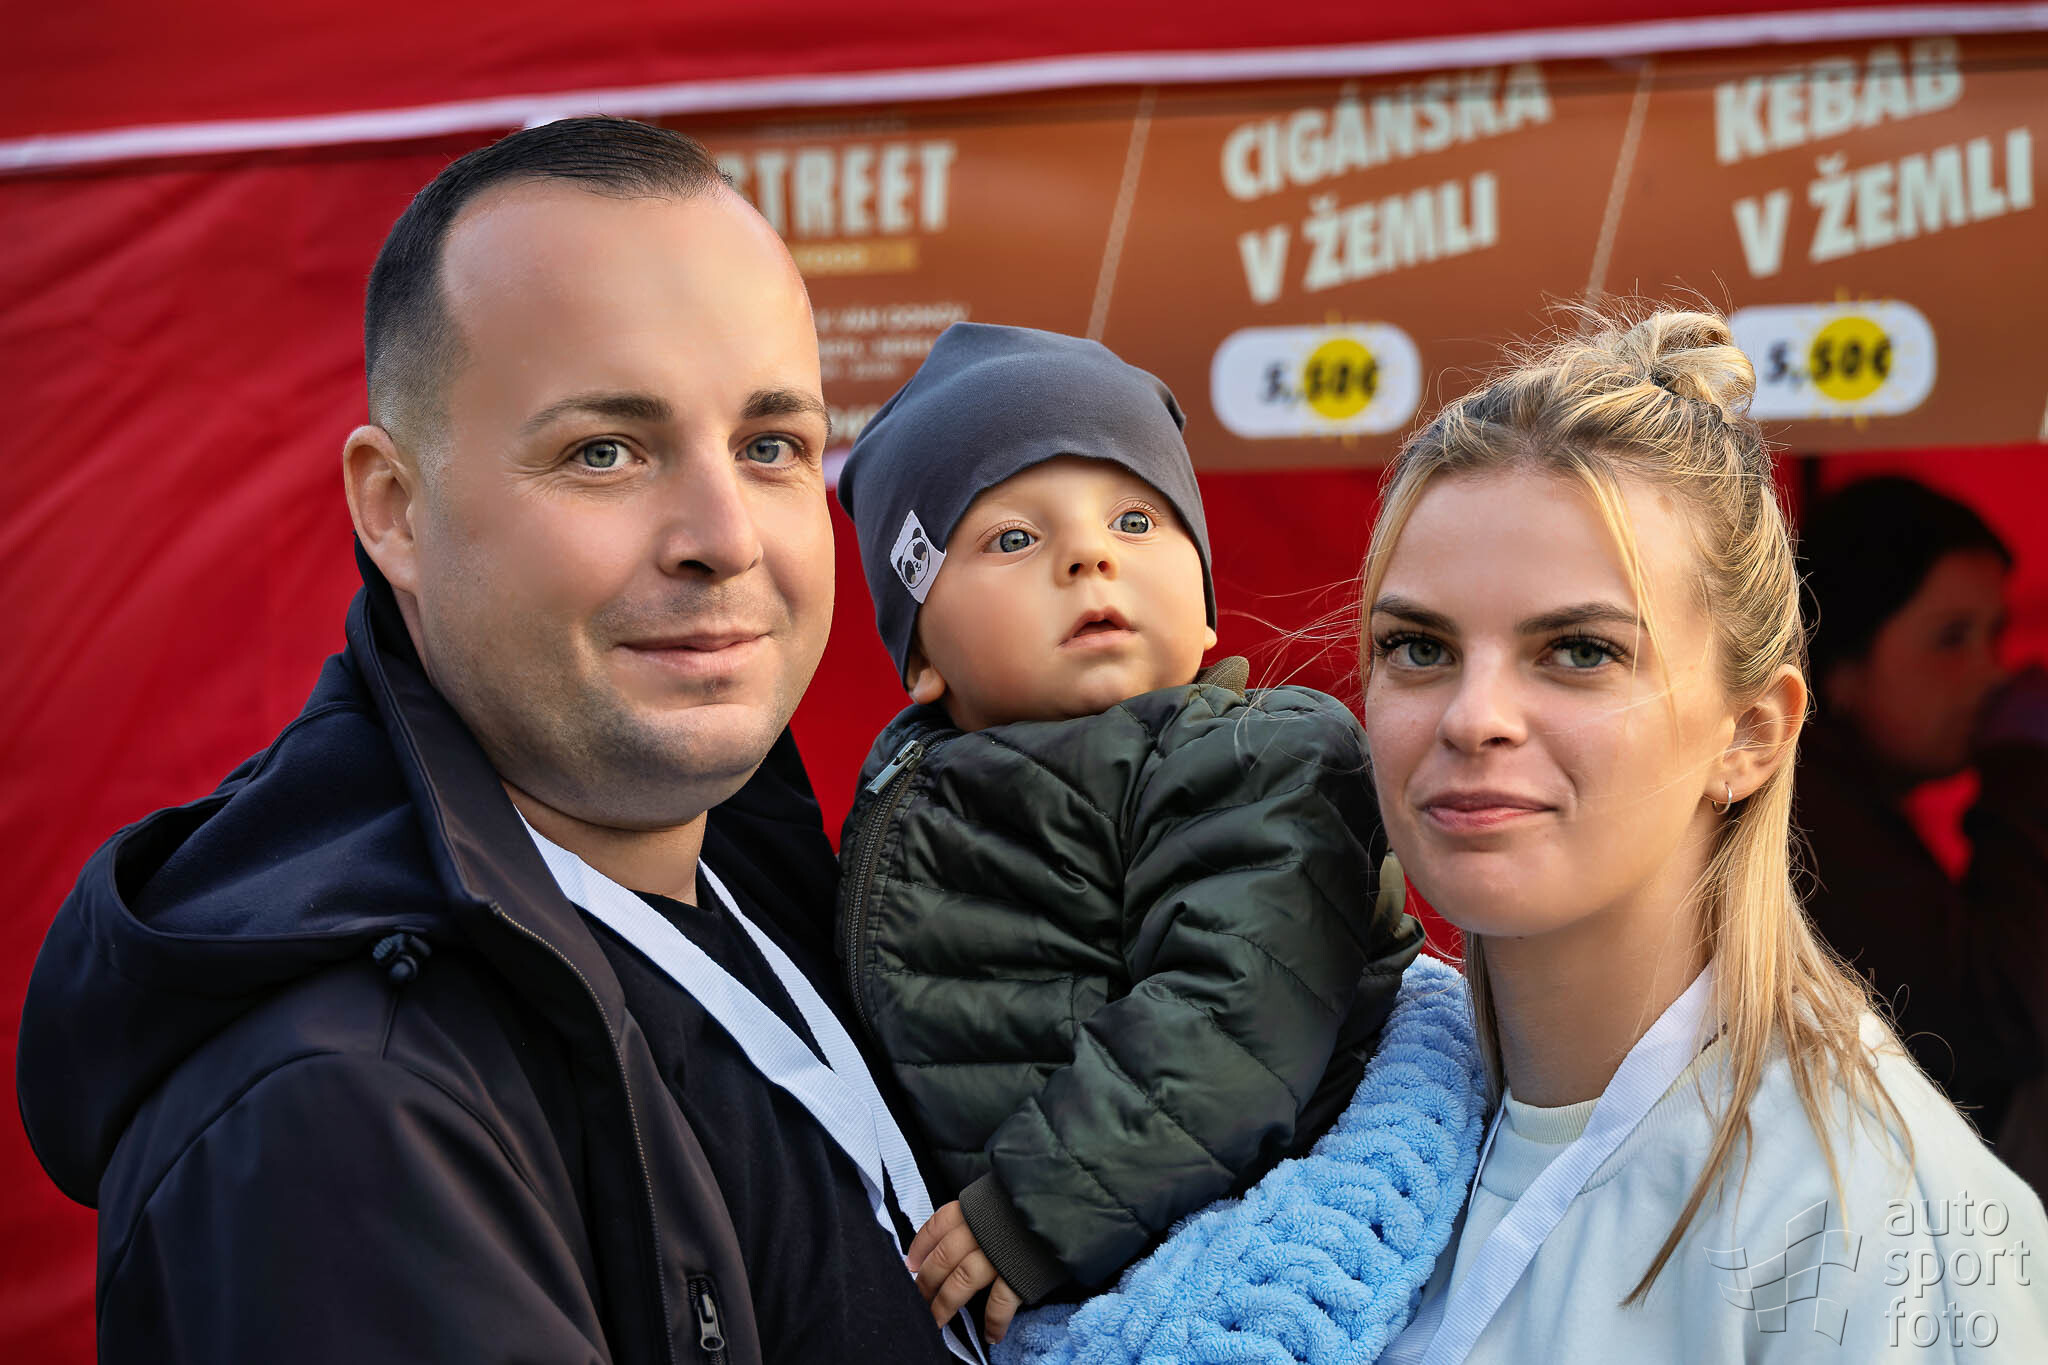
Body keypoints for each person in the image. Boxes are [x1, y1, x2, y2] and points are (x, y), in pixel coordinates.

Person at [16, 118, 972, 1364]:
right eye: (605, 451)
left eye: (769, 446)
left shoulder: (779, 878)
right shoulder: (347, 1108)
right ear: (394, 511)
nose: (726, 537)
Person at [1355, 309, 2048, 1360]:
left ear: (1752, 733)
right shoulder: (1330, 1105)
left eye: (1579, 650)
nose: (1472, 715)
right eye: (1416, 646)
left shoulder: (1879, 1216)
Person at [832, 323, 1424, 1342]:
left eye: (1136, 520)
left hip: (1224, 1259)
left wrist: (1031, 1209)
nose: (1090, 554)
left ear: (1204, 611)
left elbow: (1231, 1013)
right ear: (920, 656)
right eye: (1013, 539)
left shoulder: (1256, 756)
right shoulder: (907, 786)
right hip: (1025, 1282)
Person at [1796, 477, 2048, 1159]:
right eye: (1951, 638)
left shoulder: (1848, 798)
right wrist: (2025, 771)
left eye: (1994, 635)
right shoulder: (1805, 822)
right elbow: (2005, 1011)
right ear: (1841, 665)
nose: (1991, 673)